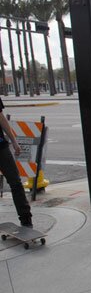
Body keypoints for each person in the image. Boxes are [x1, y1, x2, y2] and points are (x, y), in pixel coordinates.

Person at [0, 97, 33, 227]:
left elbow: (1, 118)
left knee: (15, 182)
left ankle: (26, 219)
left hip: (1, 147)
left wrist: (14, 141)